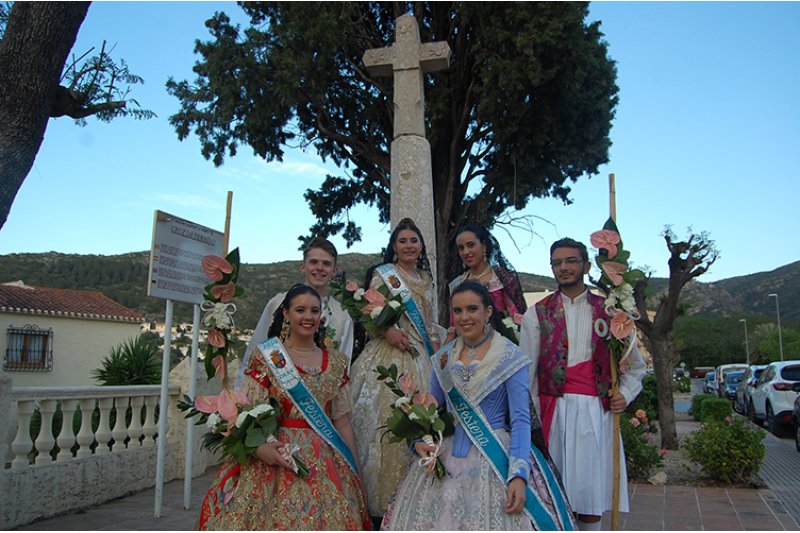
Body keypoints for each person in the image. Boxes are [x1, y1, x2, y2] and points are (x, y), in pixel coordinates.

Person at [382, 281, 575, 531]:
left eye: (472, 309)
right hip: (446, 451)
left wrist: (518, 475)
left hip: (495, 456)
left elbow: (520, 419)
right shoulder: (443, 357)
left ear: (488, 312)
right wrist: (417, 439)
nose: (464, 317)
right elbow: (430, 408)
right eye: (458, 311)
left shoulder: (509, 355)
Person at [197, 284, 370, 530]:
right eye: (300, 310)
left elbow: (341, 421)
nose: (308, 317)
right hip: (274, 455)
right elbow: (247, 412)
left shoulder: (335, 362)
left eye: (314, 311)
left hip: (324, 460)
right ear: (286, 314)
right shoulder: (267, 355)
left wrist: (356, 472)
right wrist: (260, 449)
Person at [519, 238, 646, 531]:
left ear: (586, 266)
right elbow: (527, 374)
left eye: (571, 261)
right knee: (552, 498)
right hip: (553, 414)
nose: (563, 267)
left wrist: (624, 395)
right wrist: (529, 422)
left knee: (589, 501)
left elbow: (637, 367)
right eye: (557, 263)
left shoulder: (613, 312)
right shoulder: (536, 314)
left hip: (595, 414)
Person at [348, 218, 442, 523]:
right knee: (380, 428)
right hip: (387, 355)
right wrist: (387, 331)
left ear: (421, 245)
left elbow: (429, 320)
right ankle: (376, 509)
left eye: (414, 240)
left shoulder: (427, 280)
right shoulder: (383, 275)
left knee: (422, 425)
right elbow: (369, 313)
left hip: (421, 355)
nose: (409, 246)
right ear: (394, 246)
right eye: (402, 241)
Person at [237, 237, 354, 388]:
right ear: (302, 266)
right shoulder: (278, 303)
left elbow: (344, 366)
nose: (319, 268)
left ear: (334, 271)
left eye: (326, 264)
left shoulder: (342, 315)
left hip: (321, 402)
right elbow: (255, 349)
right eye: (313, 262)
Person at [449, 224, 527, 329]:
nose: (466, 252)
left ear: (484, 246)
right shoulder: (457, 284)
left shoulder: (502, 278)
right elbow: (454, 324)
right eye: (461, 248)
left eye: (471, 245)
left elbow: (515, 314)